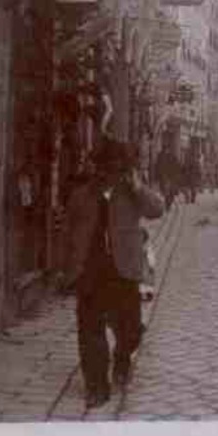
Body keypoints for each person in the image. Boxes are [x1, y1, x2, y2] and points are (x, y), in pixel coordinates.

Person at [62, 139, 164, 409]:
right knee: (90, 330)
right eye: (105, 169)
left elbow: (157, 209)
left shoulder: (131, 193)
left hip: (124, 270)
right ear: (97, 169)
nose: (110, 174)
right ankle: (96, 386)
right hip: (91, 271)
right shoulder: (82, 195)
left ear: (124, 170)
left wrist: (138, 186)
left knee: (129, 330)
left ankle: (122, 359)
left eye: (117, 169)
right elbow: (69, 234)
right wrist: (69, 270)